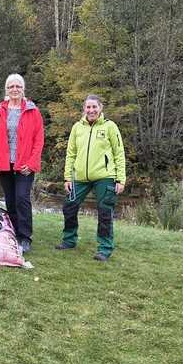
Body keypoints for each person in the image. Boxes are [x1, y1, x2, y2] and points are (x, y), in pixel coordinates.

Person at [56, 95, 126, 261]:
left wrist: (120, 179)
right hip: (79, 176)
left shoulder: (110, 126)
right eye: (88, 107)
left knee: (104, 212)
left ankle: (105, 248)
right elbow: (70, 154)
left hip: (105, 176)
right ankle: (69, 240)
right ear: (84, 109)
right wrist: (67, 177)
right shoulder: (77, 128)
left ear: (100, 108)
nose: (91, 110)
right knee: (69, 206)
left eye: (94, 107)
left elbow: (119, 153)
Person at [0, 74, 44, 253]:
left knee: (22, 199)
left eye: (18, 86)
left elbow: (38, 139)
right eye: (11, 87)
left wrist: (32, 163)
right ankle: (14, 233)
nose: (15, 89)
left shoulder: (33, 111)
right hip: (4, 163)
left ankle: (25, 237)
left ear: (23, 89)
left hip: (25, 165)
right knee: (10, 200)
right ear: (6, 90)